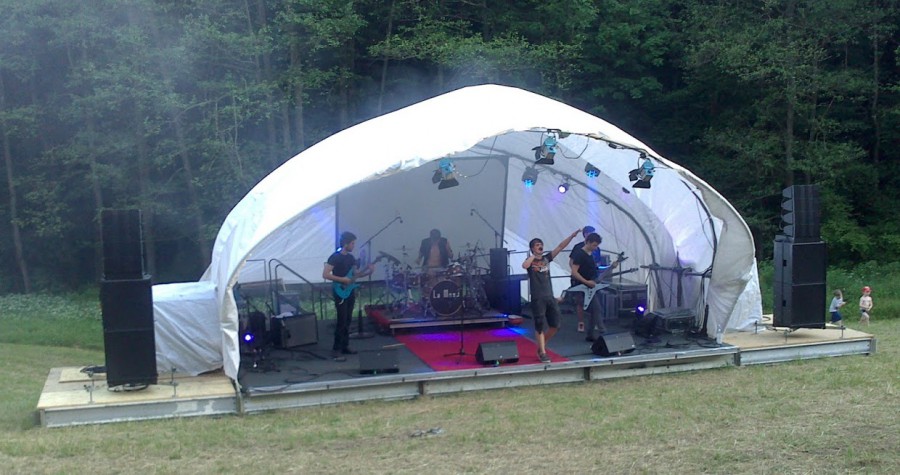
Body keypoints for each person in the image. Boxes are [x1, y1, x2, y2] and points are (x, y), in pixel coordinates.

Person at [522, 230, 581, 363]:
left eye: (541, 244)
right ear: (532, 248)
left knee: (556, 325)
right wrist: (533, 256)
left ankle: (541, 345)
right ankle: (543, 352)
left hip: (549, 295)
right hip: (537, 297)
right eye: (537, 245)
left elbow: (560, 247)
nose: (540, 246)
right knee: (539, 325)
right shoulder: (530, 261)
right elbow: (524, 266)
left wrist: (571, 237)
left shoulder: (546, 259)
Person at [322, 232, 374, 361]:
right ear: (346, 243)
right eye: (352, 243)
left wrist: (369, 271)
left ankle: (345, 345)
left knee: (348, 320)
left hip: (350, 290)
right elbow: (326, 274)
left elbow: (355, 275)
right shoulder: (335, 257)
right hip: (340, 290)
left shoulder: (351, 258)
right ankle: (336, 349)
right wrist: (342, 280)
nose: (353, 246)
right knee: (342, 320)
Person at [570, 232, 620, 342]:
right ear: (587, 242)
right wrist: (586, 282)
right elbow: (574, 272)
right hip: (583, 286)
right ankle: (597, 332)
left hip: (591, 285)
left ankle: (591, 333)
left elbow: (595, 271)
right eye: (594, 245)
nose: (595, 247)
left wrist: (611, 267)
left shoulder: (590, 254)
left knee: (595, 309)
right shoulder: (580, 254)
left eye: (597, 245)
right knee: (595, 308)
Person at [568, 226, 604, 332]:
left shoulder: (595, 250)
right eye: (588, 233)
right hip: (580, 281)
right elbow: (572, 264)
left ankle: (595, 326)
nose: (595, 247)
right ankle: (581, 323)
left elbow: (597, 263)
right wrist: (582, 278)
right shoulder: (579, 249)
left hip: (591, 280)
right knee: (580, 302)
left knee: (595, 306)